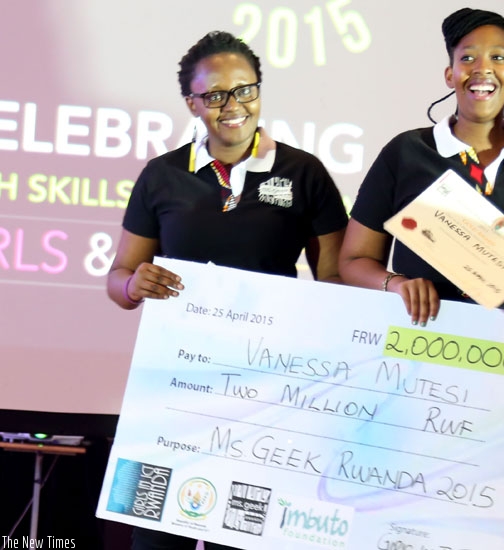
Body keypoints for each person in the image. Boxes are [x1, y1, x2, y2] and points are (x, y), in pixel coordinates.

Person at [106, 30, 348, 549]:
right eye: (214, 95)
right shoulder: (162, 175)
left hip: (265, 397)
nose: (233, 104)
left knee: (239, 538)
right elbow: (119, 278)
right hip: (172, 390)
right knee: (152, 539)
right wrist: (133, 283)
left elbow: (336, 282)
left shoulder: (304, 173)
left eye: (245, 89)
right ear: (192, 103)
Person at [338, 7, 504, 324]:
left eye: (498, 57)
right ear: (449, 74)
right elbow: (354, 260)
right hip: (418, 335)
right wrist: (396, 284)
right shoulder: (407, 152)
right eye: (467, 58)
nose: (483, 69)